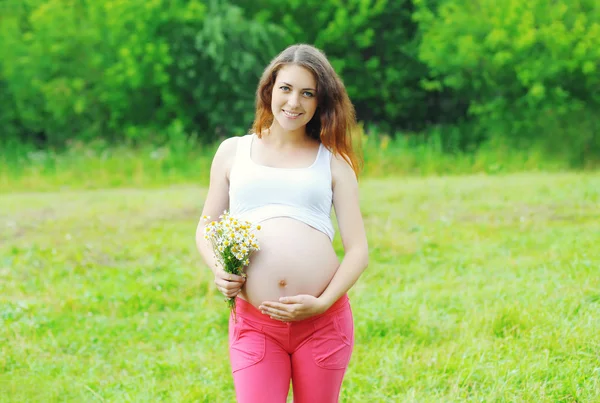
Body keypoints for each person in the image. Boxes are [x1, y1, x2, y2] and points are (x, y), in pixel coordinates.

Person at [195, 43, 369, 403]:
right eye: (286, 88)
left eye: (308, 94)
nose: (294, 103)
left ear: (322, 102)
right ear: (269, 89)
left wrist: (322, 305)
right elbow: (205, 226)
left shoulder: (334, 161)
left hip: (323, 323)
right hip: (255, 324)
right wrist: (219, 271)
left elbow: (358, 252)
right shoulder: (233, 151)